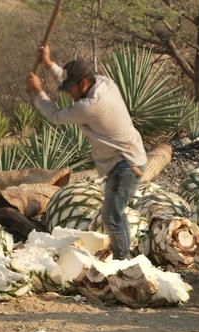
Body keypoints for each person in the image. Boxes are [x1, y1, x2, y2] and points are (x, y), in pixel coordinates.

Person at [26, 46, 147, 260]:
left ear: (82, 84)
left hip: (126, 164)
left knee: (111, 217)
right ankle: (125, 256)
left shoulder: (90, 106)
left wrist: (37, 92)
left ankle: (124, 263)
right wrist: (47, 63)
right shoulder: (103, 83)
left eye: (70, 89)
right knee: (116, 214)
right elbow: (69, 76)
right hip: (126, 159)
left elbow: (54, 116)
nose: (69, 94)